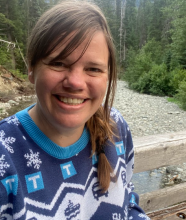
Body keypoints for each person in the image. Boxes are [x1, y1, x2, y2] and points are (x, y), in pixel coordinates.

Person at [0, 1, 150, 219]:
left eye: (93, 69)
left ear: (108, 76)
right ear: (31, 69)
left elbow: (128, 201)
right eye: (59, 63)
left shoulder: (115, 126)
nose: (76, 82)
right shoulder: (5, 156)